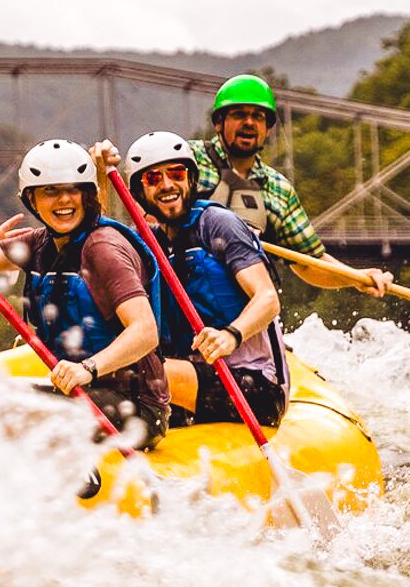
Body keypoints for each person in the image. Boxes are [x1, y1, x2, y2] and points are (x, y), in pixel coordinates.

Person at [0, 140, 170, 440]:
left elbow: (145, 330)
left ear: (88, 195)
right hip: (83, 391)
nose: (64, 200)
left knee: (7, 406)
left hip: (135, 409)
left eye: (73, 189)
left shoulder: (104, 249)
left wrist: (88, 368)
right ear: (31, 200)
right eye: (50, 191)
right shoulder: (40, 244)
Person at [115, 130, 290, 428]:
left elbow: (268, 298)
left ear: (191, 178)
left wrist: (230, 335)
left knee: (137, 373)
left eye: (176, 173)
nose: (168, 184)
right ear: (139, 193)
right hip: (196, 379)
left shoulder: (219, 224)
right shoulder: (149, 244)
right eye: (153, 179)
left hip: (254, 384)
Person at [194, 74, 392, 297]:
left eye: (258, 117)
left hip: (242, 307)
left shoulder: (278, 188)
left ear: (267, 129)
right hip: (183, 295)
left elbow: (309, 262)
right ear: (219, 123)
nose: (249, 123)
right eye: (239, 114)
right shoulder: (189, 159)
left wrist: (357, 278)